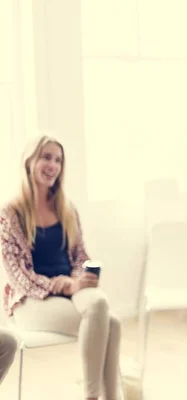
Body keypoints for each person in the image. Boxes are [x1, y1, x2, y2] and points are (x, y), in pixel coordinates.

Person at [0, 135, 122, 400]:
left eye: (58, 160)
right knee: (110, 323)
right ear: (29, 160)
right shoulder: (11, 212)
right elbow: (18, 276)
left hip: (70, 291)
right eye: (46, 157)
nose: (53, 165)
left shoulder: (67, 209)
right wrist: (61, 284)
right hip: (31, 302)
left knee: (102, 308)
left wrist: (77, 280)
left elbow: (80, 256)